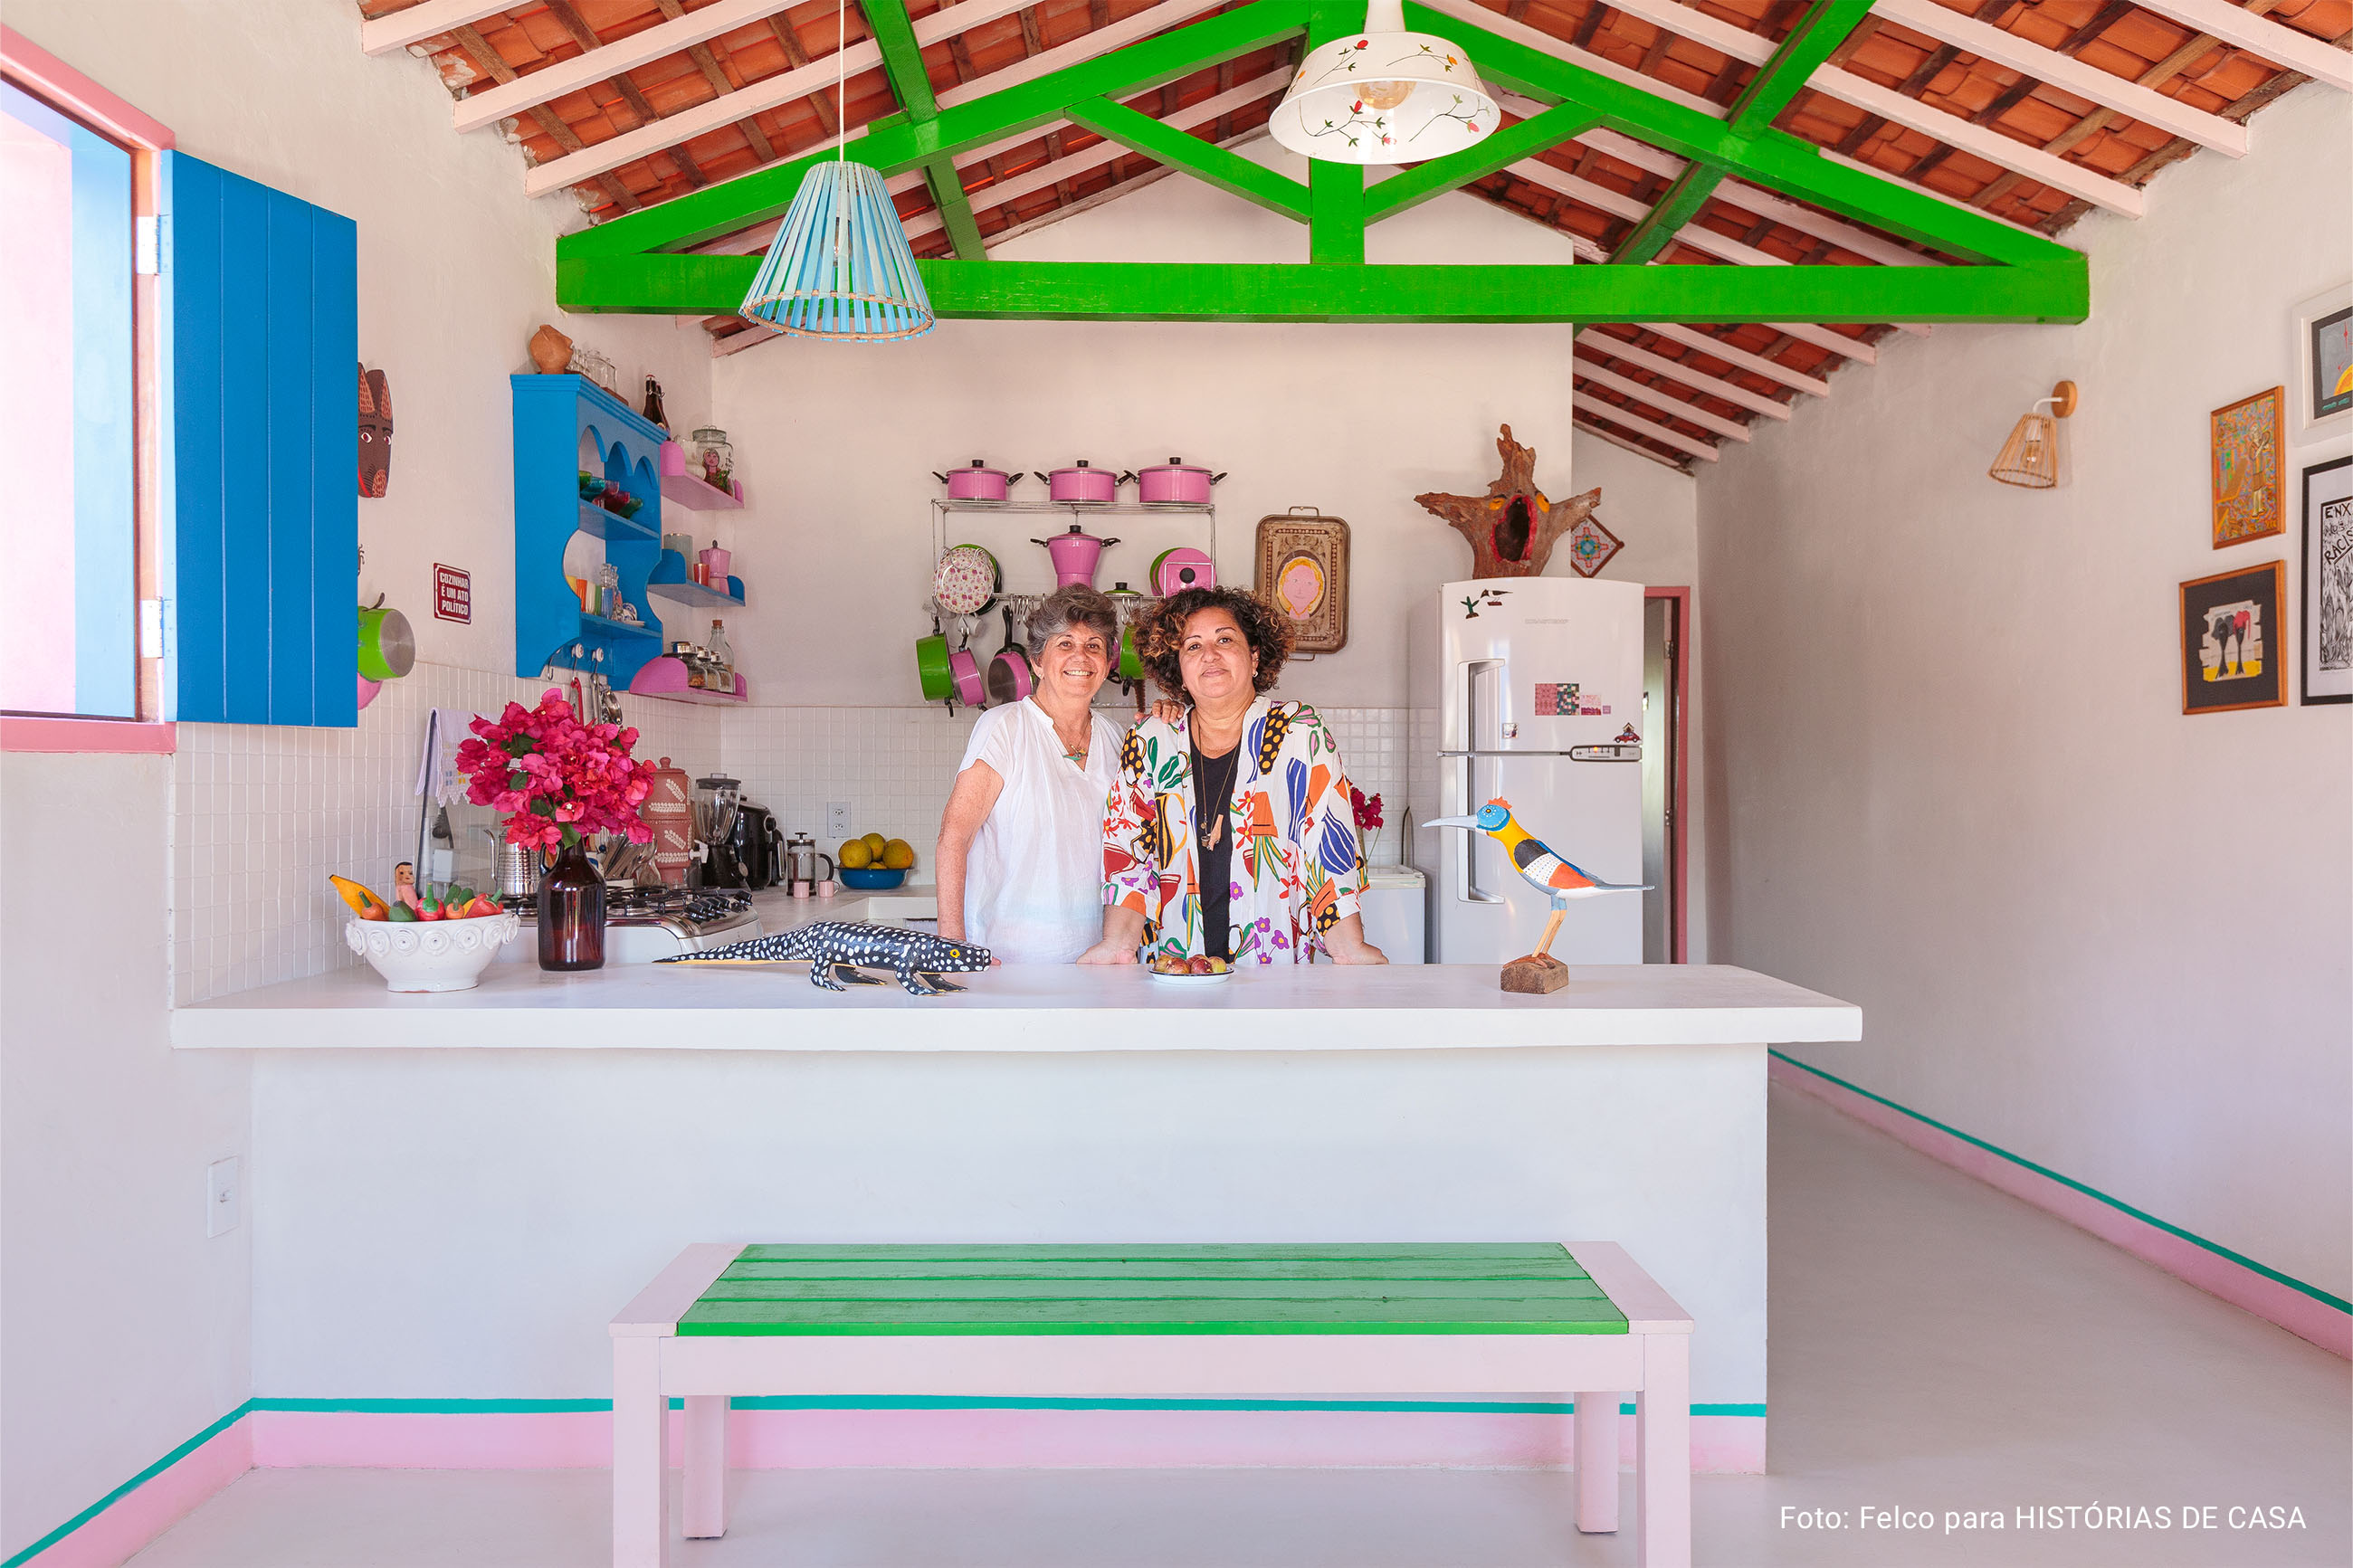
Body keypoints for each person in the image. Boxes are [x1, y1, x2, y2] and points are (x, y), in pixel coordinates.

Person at [1081, 585, 1386, 966]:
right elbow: (1128, 857)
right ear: (1178, 667)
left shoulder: (1297, 732)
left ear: (1253, 656)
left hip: (1269, 967)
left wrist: (1349, 947)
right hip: (1175, 967)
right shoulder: (1149, 742)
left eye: (1225, 639)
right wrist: (1118, 944)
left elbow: (1327, 850)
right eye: (1192, 646)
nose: (1209, 654)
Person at [935, 584, 1129, 963]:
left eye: (1094, 646)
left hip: (1095, 958)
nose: (1081, 656)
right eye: (1065, 644)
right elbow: (954, 836)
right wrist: (952, 944)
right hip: (1008, 958)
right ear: (1038, 662)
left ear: (1107, 664)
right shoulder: (1003, 727)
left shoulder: (1115, 737)